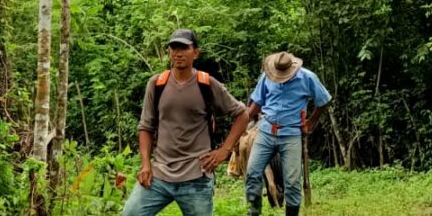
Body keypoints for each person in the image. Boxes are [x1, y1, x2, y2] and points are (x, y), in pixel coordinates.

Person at [122, 29, 249, 216]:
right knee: (130, 214)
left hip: (196, 176)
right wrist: (145, 165)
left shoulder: (206, 84)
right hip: (160, 174)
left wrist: (225, 150)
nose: (178, 53)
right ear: (169, 52)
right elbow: (145, 126)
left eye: (184, 48)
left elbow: (242, 114)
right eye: (174, 48)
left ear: (196, 53)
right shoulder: (157, 84)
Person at [244, 51, 330, 216]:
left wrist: (311, 122)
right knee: (252, 173)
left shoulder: (308, 77)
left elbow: (324, 100)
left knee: (292, 182)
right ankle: (253, 212)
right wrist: (243, 124)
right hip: (266, 131)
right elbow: (256, 103)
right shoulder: (266, 76)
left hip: (291, 134)